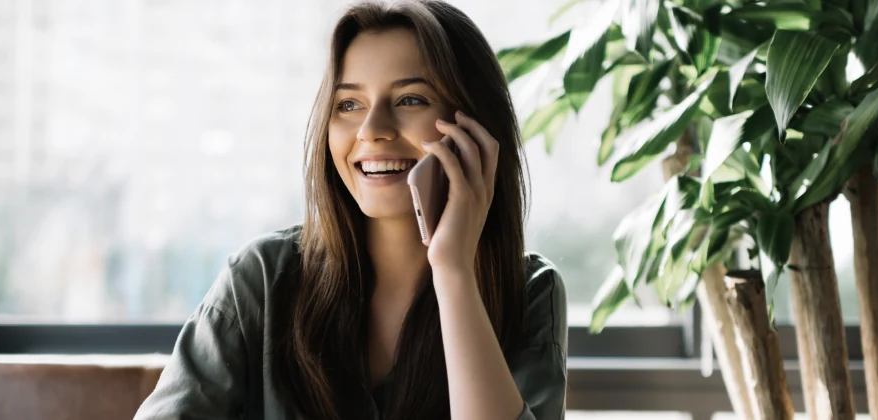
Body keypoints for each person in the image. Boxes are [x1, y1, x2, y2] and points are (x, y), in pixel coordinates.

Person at [134, 1, 567, 419]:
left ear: (474, 127)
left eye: (410, 100)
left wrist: (453, 270)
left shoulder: (530, 292)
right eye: (349, 104)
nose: (371, 129)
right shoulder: (261, 279)